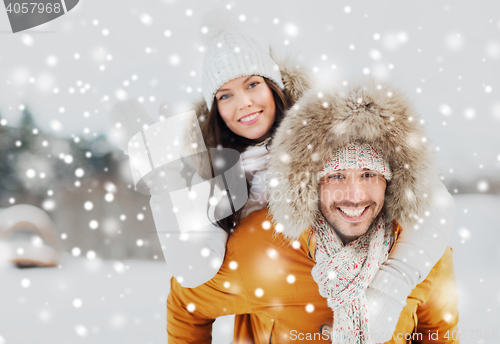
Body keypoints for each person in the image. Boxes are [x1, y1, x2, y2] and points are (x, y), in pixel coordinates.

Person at [150, 26, 455, 335]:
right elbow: (188, 295)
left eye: (252, 84)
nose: (243, 103)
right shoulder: (257, 238)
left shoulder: (413, 243)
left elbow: (438, 326)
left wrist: (393, 280)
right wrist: (166, 193)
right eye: (225, 95)